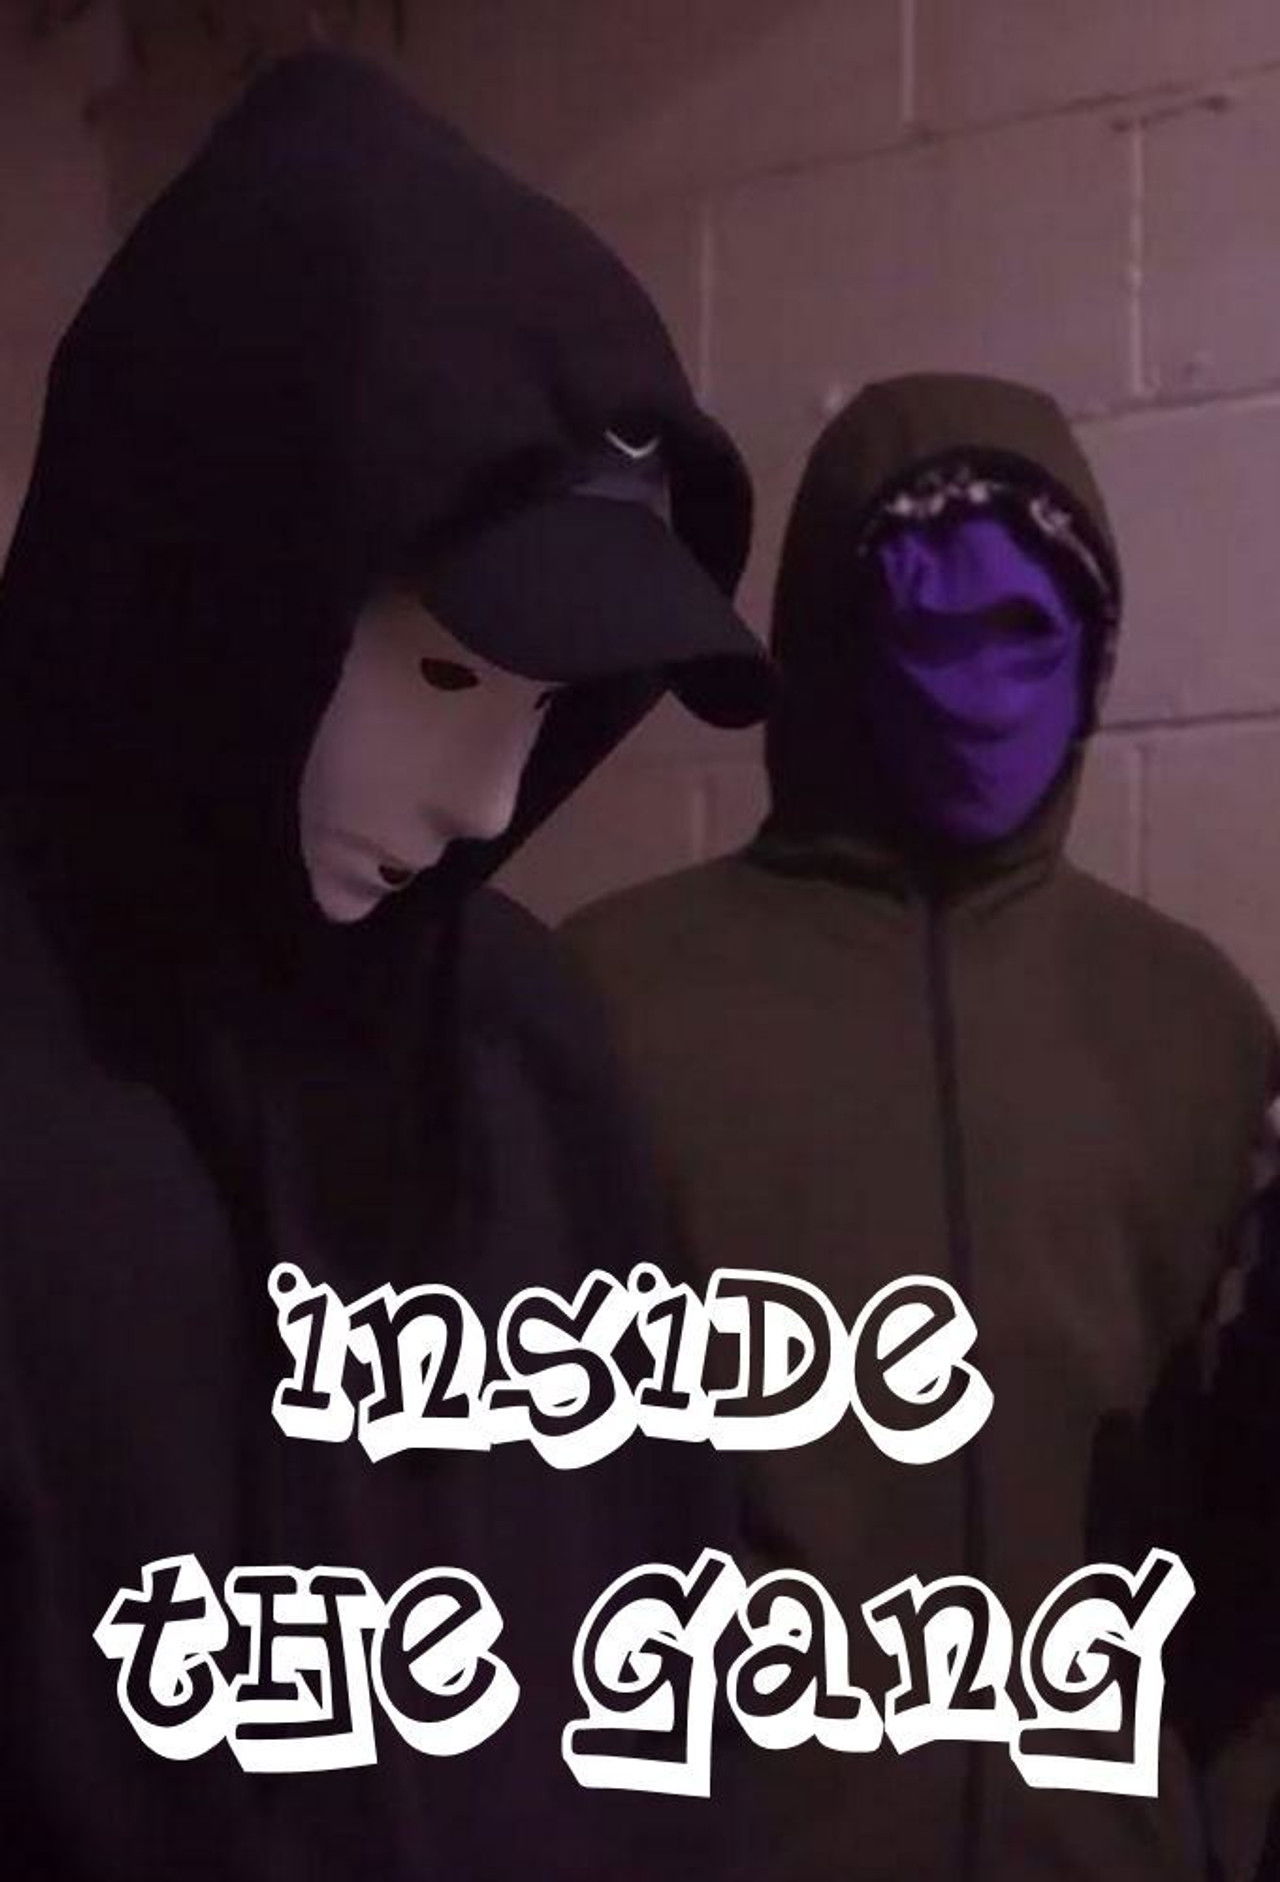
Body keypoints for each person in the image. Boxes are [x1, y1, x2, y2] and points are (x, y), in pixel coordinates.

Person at [0, 49, 772, 1882]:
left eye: (548, 704)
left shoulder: (525, 1045)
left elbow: (681, 1653)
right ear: (216, 574)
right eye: (441, 671)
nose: (489, 799)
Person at [563, 371, 1279, 1880]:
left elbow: (1241, 1528)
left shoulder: (1197, 1029)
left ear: (1093, 646)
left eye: (1027, 633)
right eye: (928, 629)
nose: (980, 686)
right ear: (829, 636)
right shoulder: (606, 1007)